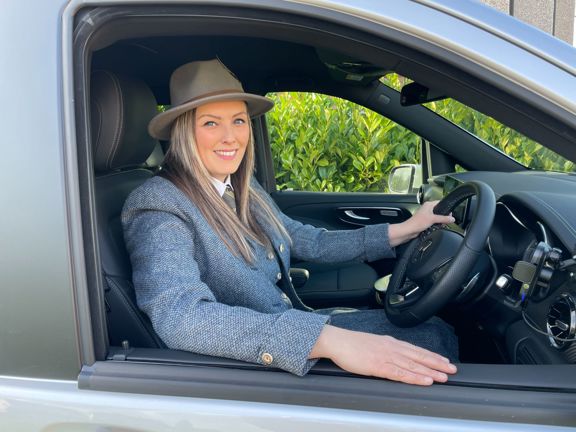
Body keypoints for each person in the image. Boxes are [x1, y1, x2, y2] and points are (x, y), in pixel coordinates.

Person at [122, 59, 458, 386]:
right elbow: (181, 316)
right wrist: (328, 340)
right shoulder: (158, 204)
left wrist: (409, 228)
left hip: (293, 324)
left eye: (238, 121)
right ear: (184, 132)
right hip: (252, 367)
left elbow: (303, 239)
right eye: (211, 123)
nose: (231, 137)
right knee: (432, 340)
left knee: (433, 329)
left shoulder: (239, 186)